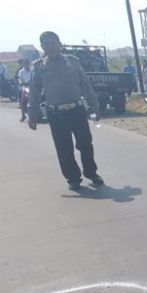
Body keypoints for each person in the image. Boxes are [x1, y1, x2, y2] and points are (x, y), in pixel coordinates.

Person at [28, 31, 104, 191]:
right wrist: (32, 114)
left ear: (60, 43)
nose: (51, 47)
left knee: (85, 144)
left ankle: (91, 173)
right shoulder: (39, 66)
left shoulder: (73, 63)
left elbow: (86, 86)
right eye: (46, 44)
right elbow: (34, 93)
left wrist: (95, 107)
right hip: (55, 114)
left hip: (76, 110)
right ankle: (73, 178)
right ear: (42, 47)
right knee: (63, 148)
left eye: (53, 43)